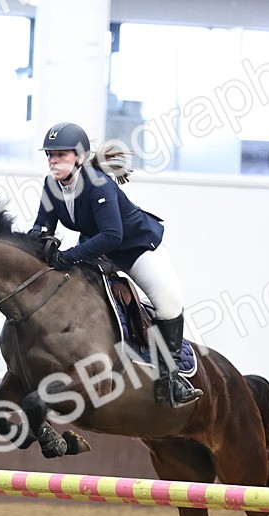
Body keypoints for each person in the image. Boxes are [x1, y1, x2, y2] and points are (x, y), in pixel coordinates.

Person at [29, 121, 202, 408]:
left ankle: (172, 379)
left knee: (169, 304)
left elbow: (112, 235)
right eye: (50, 154)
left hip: (136, 249)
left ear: (80, 158)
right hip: (98, 250)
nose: (53, 160)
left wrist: (68, 256)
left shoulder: (99, 184)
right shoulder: (51, 185)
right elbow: (42, 225)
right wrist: (33, 241)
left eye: (61, 154)